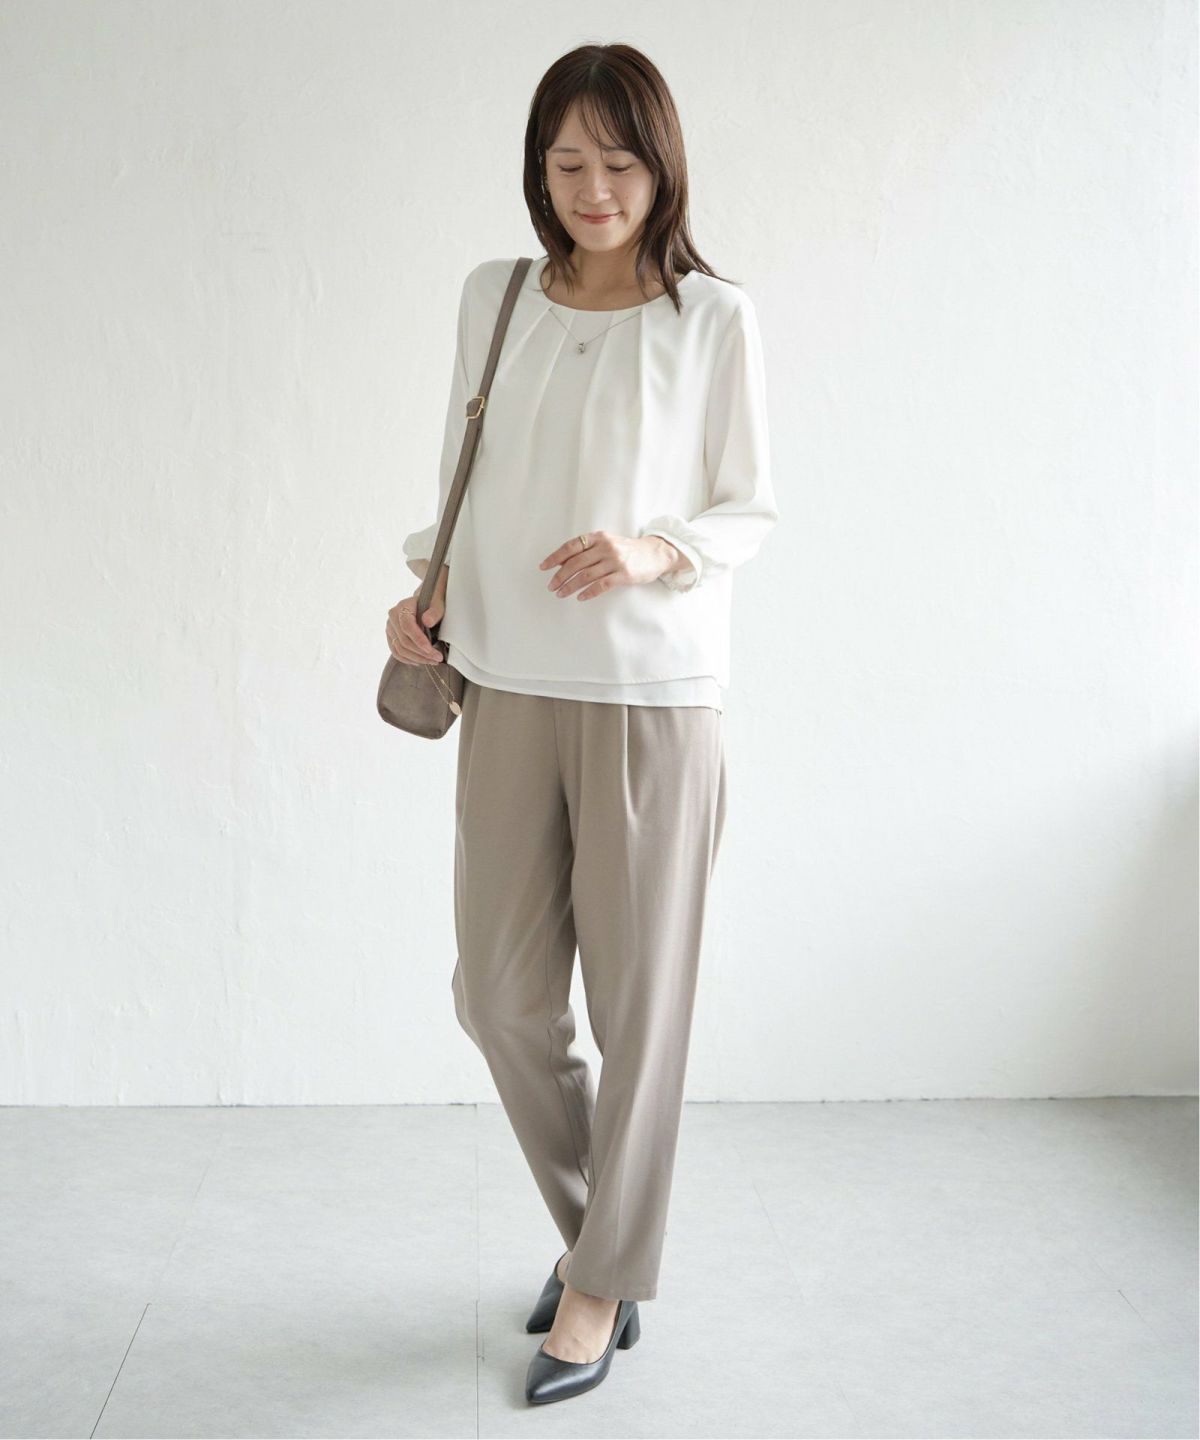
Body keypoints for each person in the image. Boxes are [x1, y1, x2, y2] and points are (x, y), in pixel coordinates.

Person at [385, 42, 778, 1406]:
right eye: (567, 162)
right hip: (505, 684)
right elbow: (465, 468)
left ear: (661, 168)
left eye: (618, 161)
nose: (593, 188)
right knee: (498, 999)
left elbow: (749, 503)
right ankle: (599, 1236)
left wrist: (652, 548)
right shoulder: (495, 297)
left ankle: (602, 1282)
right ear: (537, 170)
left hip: (651, 702)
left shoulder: (713, 318)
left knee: (636, 1011)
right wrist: (426, 586)